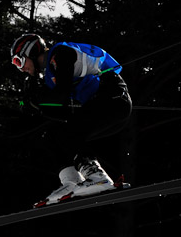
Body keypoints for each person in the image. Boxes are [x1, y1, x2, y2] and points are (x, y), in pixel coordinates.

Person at [10, 34, 133, 207]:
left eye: (19, 61)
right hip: (103, 105)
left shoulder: (60, 53)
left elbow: (62, 93)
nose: (20, 68)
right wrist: (36, 106)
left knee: (68, 132)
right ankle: (71, 183)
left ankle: (98, 177)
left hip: (113, 99)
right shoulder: (51, 74)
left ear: (31, 51)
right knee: (53, 136)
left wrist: (38, 99)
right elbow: (63, 110)